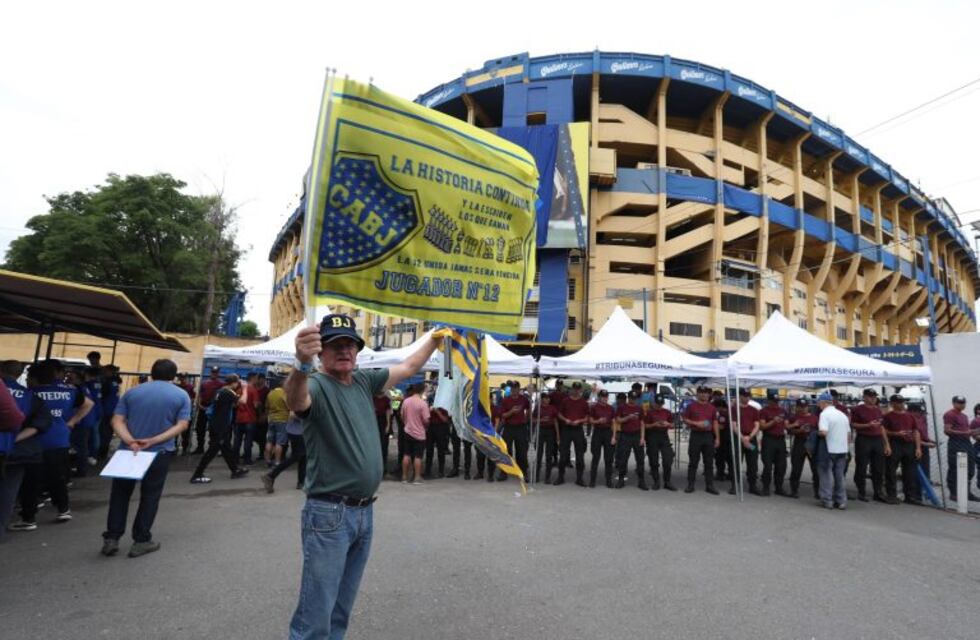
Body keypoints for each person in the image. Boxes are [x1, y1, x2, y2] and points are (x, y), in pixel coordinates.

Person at [283, 313, 439, 639]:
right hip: (330, 513)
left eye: (350, 344)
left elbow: (409, 367)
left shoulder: (364, 381)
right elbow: (296, 401)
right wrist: (300, 363)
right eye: (335, 345)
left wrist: (436, 339)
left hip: (364, 511)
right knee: (317, 609)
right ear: (320, 351)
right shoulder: (316, 384)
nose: (345, 351)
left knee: (341, 605)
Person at [101, 359, 190, 557]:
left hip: (128, 451)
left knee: (120, 495)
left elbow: (116, 420)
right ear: (173, 376)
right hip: (159, 452)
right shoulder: (181, 395)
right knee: (150, 496)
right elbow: (182, 424)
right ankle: (141, 540)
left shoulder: (133, 392)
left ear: (151, 373)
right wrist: (154, 440)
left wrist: (130, 440)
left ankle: (112, 538)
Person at [16, 361, 93, 527]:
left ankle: (28, 517)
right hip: (60, 439)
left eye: (29, 377)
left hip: (36, 441)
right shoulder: (70, 391)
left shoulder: (30, 394)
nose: (28, 380)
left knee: (31, 480)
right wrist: (72, 421)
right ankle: (63, 509)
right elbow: (89, 404)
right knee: (57, 478)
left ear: (35, 378)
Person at [1, 361, 50, 539]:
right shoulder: (30, 396)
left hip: (9, 448)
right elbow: (41, 424)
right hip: (17, 451)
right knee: (8, 491)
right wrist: (15, 438)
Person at [190, 374, 251, 483]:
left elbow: (228, 405)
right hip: (221, 427)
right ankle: (197, 474)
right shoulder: (228, 392)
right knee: (212, 451)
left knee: (226, 448)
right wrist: (245, 388)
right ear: (234, 383)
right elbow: (243, 401)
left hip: (216, 424)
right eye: (237, 382)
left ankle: (235, 470)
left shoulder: (219, 391)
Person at [881, 394, 921, 506]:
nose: (901, 404)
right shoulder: (888, 416)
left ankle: (909, 496)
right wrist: (892, 438)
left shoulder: (910, 416)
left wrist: (918, 447)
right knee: (891, 470)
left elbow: (915, 431)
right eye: (899, 402)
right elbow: (883, 430)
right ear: (892, 403)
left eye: (902, 402)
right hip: (895, 443)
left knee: (909, 471)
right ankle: (891, 495)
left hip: (909, 444)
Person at [681, 386, 719, 494]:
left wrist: (717, 438)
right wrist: (696, 423)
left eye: (706, 393)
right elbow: (684, 419)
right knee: (693, 461)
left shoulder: (712, 407)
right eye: (701, 393)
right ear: (697, 394)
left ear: (708, 394)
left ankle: (710, 485)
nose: (704, 395)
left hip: (708, 436)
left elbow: (715, 423)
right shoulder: (691, 406)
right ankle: (690, 484)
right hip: (696, 435)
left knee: (709, 462)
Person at [850, 388, 886, 502]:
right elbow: (853, 424)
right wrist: (868, 425)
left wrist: (886, 444)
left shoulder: (878, 410)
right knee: (862, 466)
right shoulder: (857, 409)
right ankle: (861, 491)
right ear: (864, 397)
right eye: (870, 396)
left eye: (874, 396)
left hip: (877, 439)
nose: (873, 399)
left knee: (878, 467)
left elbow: (881, 426)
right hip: (864, 438)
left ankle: (878, 492)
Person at [943, 396, 980, 500]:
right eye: (959, 403)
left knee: (970, 468)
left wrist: (974, 431)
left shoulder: (964, 416)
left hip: (966, 442)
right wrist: (964, 432)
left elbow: (968, 430)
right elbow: (947, 431)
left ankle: (966, 493)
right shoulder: (949, 414)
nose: (962, 405)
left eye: (963, 403)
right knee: (955, 468)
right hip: (956, 443)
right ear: (954, 403)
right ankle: (954, 493)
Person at [816, 391, 849, 509]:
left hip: (828, 449)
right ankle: (841, 501)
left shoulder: (824, 414)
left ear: (823, 403)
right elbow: (848, 434)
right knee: (839, 476)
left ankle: (827, 500)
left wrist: (815, 433)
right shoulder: (842, 414)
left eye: (819, 403)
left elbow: (823, 432)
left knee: (826, 475)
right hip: (842, 449)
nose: (818, 405)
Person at [262, 412, 307, 493]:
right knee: (296, 456)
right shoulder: (300, 399)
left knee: (303, 456)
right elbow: (292, 414)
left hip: (299, 431)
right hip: (297, 431)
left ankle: (301, 482)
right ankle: (271, 475)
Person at [612, 391, 648, 490]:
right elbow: (618, 420)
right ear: (628, 398)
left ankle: (641, 481)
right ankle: (621, 480)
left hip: (636, 435)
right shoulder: (622, 407)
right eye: (631, 398)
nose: (633, 400)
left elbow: (642, 424)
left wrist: (642, 438)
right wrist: (628, 417)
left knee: (640, 459)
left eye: (635, 398)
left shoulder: (639, 408)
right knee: (623, 459)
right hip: (625, 435)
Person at [556, 382, 589, 487]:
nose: (576, 391)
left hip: (578, 429)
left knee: (580, 455)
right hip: (566, 429)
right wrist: (566, 420)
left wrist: (579, 420)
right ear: (571, 389)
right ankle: (560, 477)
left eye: (578, 389)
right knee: (563, 455)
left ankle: (579, 478)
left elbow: (587, 417)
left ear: (580, 390)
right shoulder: (565, 401)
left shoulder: (584, 402)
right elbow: (559, 414)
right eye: (574, 389)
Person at [730, 389, 761, 496]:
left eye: (748, 396)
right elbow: (734, 425)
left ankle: (753, 485)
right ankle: (735, 485)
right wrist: (743, 438)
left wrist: (749, 437)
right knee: (737, 462)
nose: (747, 398)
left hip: (751, 439)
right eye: (745, 396)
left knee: (753, 463)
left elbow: (757, 425)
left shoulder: (754, 410)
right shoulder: (734, 409)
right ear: (740, 396)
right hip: (738, 438)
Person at [643, 394, 676, 491]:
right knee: (653, 460)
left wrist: (668, 424)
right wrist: (654, 424)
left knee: (668, 459)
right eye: (657, 404)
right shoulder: (649, 413)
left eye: (661, 404)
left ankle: (667, 482)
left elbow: (673, 425)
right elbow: (645, 426)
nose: (659, 406)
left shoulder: (667, 412)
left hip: (664, 436)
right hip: (652, 436)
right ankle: (656, 481)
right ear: (654, 403)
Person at [787, 398, 819, 499]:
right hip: (799, 443)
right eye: (801, 407)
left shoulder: (815, 418)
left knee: (816, 469)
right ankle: (794, 490)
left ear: (808, 407)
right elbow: (790, 432)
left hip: (812, 443)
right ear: (797, 407)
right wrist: (800, 430)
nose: (803, 409)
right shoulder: (794, 418)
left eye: (805, 407)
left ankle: (817, 491)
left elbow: (820, 430)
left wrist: (812, 431)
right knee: (796, 468)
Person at [498, 380, 530, 482]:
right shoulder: (505, 400)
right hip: (509, 427)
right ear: (510, 389)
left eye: (516, 388)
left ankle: (523, 473)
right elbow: (503, 415)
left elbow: (529, 408)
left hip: (521, 427)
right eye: (513, 388)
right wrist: (511, 412)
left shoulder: (524, 399)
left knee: (522, 452)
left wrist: (526, 418)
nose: (514, 390)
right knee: (506, 451)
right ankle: (504, 473)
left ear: (519, 389)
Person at [758, 392, 788, 496]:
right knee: (768, 465)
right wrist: (773, 421)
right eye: (774, 401)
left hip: (780, 439)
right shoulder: (764, 411)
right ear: (769, 401)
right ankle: (766, 488)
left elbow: (787, 425)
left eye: (777, 401)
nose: (776, 403)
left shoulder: (783, 410)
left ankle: (779, 487)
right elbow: (762, 427)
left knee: (781, 466)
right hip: (769, 439)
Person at [400, 383, 429, 485]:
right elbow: (426, 419)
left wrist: (407, 424)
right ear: (421, 391)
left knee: (406, 454)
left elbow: (402, 415)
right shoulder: (423, 403)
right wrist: (425, 426)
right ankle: (417, 477)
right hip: (419, 433)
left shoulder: (406, 401)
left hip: (407, 431)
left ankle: (404, 477)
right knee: (418, 456)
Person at [193, 366, 224, 454]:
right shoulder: (204, 383)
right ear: (210, 372)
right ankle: (200, 447)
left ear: (218, 373)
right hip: (203, 406)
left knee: (213, 429)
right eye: (213, 372)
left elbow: (220, 397)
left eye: (216, 372)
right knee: (200, 428)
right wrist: (199, 405)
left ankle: (211, 448)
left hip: (214, 408)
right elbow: (200, 395)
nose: (214, 374)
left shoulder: (221, 384)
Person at [588, 389, 615, 488]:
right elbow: (590, 420)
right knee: (595, 457)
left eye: (606, 396)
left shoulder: (610, 408)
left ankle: (609, 480)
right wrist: (598, 421)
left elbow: (613, 422)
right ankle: (592, 480)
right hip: (598, 432)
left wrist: (614, 436)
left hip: (608, 432)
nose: (605, 398)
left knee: (609, 459)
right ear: (599, 397)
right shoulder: (594, 407)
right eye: (603, 396)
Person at [233, 373, 259, 465]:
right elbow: (256, 405)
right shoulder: (253, 390)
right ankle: (247, 459)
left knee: (237, 440)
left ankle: (235, 459)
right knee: (248, 440)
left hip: (239, 418)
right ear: (253, 378)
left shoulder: (239, 390)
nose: (257, 380)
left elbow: (235, 404)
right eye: (256, 378)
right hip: (250, 419)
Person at [264, 379, 290, 468]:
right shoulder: (285, 394)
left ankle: (267, 460)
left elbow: (267, 406)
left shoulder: (270, 393)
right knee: (279, 442)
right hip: (282, 419)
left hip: (271, 419)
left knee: (269, 441)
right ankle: (277, 462)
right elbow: (289, 406)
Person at [424, 405, 451, 479]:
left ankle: (441, 471)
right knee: (429, 450)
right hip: (431, 427)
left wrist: (437, 412)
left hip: (441, 427)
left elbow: (445, 420)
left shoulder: (444, 406)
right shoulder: (430, 403)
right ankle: (427, 470)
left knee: (441, 450)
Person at [712, 392, 733, 483]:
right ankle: (728, 474)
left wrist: (710, 425)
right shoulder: (725, 412)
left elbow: (721, 426)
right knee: (726, 457)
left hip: (723, 438)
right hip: (725, 438)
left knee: (721, 457)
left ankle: (721, 474)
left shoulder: (722, 413)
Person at [175, 373, 196, 455]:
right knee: (176, 432)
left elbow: (193, 398)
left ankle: (184, 448)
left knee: (185, 432)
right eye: (181, 378)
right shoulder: (177, 387)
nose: (183, 380)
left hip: (186, 411)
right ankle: (174, 447)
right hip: (177, 411)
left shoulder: (190, 387)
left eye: (184, 378)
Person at [373, 390, 392, 473]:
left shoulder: (386, 399)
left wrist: (388, 425)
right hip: (374, 421)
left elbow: (388, 412)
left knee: (384, 445)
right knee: (374, 446)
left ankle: (383, 467)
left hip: (383, 422)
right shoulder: (372, 398)